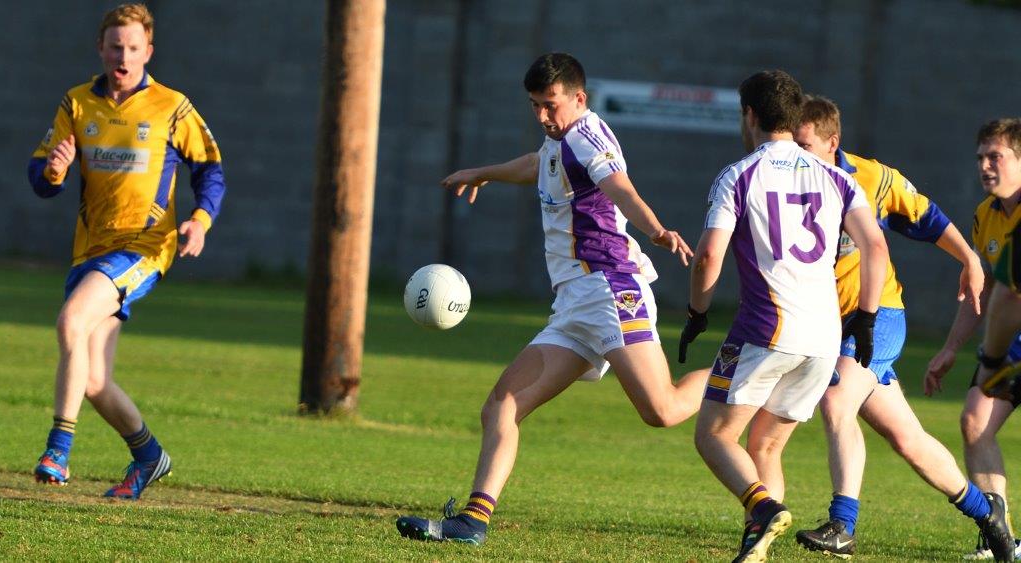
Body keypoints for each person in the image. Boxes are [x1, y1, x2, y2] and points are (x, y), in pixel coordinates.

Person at [394, 52, 704, 545]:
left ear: (579, 99)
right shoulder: (560, 138)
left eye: (550, 105)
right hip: (575, 306)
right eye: (535, 106)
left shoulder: (587, 134)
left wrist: (658, 229)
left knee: (662, 411)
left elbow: (620, 187)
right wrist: (485, 172)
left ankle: (738, 369)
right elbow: (539, 164)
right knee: (501, 407)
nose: (542, 116)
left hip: (611, 289)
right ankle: (472, 522)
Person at [759, 96, 1015, 561]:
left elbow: (926, 217)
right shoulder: (783, 179)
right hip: (826, 325)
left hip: (879, 316)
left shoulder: (870, 177)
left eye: (804, 144)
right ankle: (988, 515)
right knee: (909, 440)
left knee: (836, 400)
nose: (795, 153)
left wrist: (969, 260)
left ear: (831, 142)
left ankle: (842, 525)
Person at [677, 69, 889, 563]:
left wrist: (696, 312)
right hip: (824, 336)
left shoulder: (738, 174)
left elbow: (709, 255)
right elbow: (875, 244)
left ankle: (763, 508)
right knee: (765, 447)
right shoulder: (838, 177)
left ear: (749, 115)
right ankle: (758, 548)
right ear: (795, 119)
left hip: (765, 329)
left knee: (713, 435)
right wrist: (867, 316)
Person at [28, 3, 225, 500]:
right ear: (100, 48)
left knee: (71, 321)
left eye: (133, 47)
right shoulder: (76, 104)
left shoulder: (172, 106)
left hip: (144, 246)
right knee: (93, 379)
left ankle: (58, 449)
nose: (123, 55)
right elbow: (41, 178)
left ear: (148, 52)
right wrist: (54, 169)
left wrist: (199, 221)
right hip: (89, 250)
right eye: (115, 45)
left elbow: (210, 169)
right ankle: (148, 455)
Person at [925, 118, 1021, 560]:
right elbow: (982, 291)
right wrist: (950, 348)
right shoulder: (985, 216)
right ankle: (999, 537)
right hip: (1010, 343)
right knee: (974, 423)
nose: (985, 165)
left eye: (995, 156)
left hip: (1007, 340)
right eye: (981, 157)